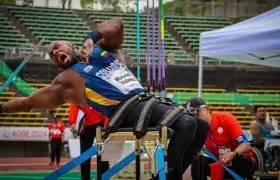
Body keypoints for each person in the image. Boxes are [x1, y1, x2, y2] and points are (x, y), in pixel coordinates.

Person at [0, 17, 209, 179]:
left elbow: (118, 24)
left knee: (200, 126)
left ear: (72, 45)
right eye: (52, 54)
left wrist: (92, 37)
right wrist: (1, 108)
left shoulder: (103, 49)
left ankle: (171, 175)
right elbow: (26, 102)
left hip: (145, 100)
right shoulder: (65, 81)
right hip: (124, 110)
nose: (54, 52)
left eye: (57, 46)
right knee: (187, 123)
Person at [186, 98, 256, 180]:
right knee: (197, 161)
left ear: (207, 109)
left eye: (197, 113)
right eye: (192, 116)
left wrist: (233, 154)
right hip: (220, 162)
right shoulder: (196, 129)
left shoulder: (227, 119)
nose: (196, 118)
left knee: (241, 160)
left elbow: (246, 145)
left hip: (240, 159)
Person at [68, 104, 109, 180]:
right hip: (85, 124)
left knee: (103, 155)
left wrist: (107, 123)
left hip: (101, 122)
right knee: (85, 156)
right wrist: (73, 121)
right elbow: (74, 102)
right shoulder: (79, 92)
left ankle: (104, 178)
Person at [250, 105, 279, 170]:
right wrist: (272, 142)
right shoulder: (255, 124)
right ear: (256, 114)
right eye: (260, 111)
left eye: (263, 111)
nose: (262, 113)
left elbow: (274, 135)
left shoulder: (270, 125)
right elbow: (258, 139)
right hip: (259, 146)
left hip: (271, 145)